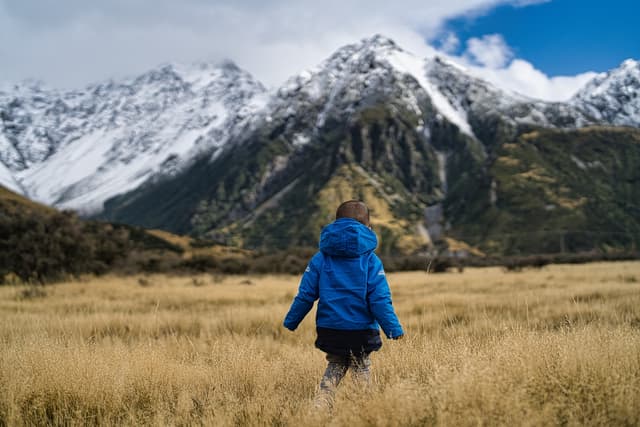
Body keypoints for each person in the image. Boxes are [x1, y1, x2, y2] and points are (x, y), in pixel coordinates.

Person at [283, 200, 404, 403]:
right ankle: (363, 409)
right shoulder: (371, 260)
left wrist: (291, 321)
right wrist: (393, 329)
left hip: (330, 328)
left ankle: (320, 406)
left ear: (335, 224)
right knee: (361, 367)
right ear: (368, 228)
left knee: (335, 366)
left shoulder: (321, 258)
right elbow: (380, 300)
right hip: (361, 331)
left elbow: (305, 295)